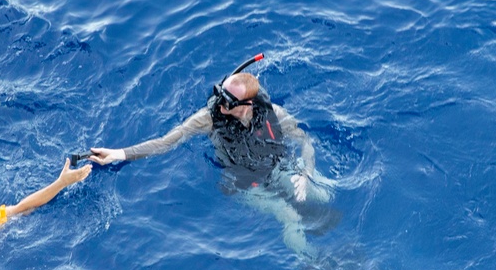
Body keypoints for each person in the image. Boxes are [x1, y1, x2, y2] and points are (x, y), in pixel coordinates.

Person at [89, 57, 335, 256]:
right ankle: (312, 261)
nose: (220, 106)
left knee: (322, 192)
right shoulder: (207, 119)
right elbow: (166, 143)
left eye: (228, 103)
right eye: (220, 98)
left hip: (275, 165)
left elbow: (305, 142)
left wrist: (306, 174)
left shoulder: (273, 113)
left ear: (248, 104)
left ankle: (336, 230)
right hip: (243, 183)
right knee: (289, 216)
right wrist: (118, 154)